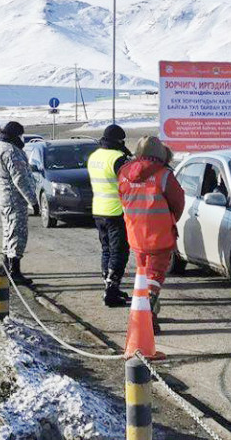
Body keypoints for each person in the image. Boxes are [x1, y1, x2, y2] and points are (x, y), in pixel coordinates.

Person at [118, 136, 185, 333]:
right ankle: (147, 317)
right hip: (159, 235)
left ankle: (145, 311)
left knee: (143, 275)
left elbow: (122, 198)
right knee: (154, 276)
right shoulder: (164, 175)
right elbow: (178, 202)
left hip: (135, 234)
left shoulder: (124, 172)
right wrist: (171, 219)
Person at [87, 124, 132, 307]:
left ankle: (108, 285)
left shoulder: (94, 156)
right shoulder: (118, 158)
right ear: (119, 141)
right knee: (119, 251)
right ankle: (112, 291)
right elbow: (129, 184)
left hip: (98, 209)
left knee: (106, 249)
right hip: (116, 211)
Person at [0, 121, 38, 285]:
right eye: (20, 135)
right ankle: (14, 270)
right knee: (17, 233)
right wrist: (33, 201)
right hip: (14, 199)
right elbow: (20, 179)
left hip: (4, 197)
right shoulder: (11, 151)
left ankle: (6, 265)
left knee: (8, 232)